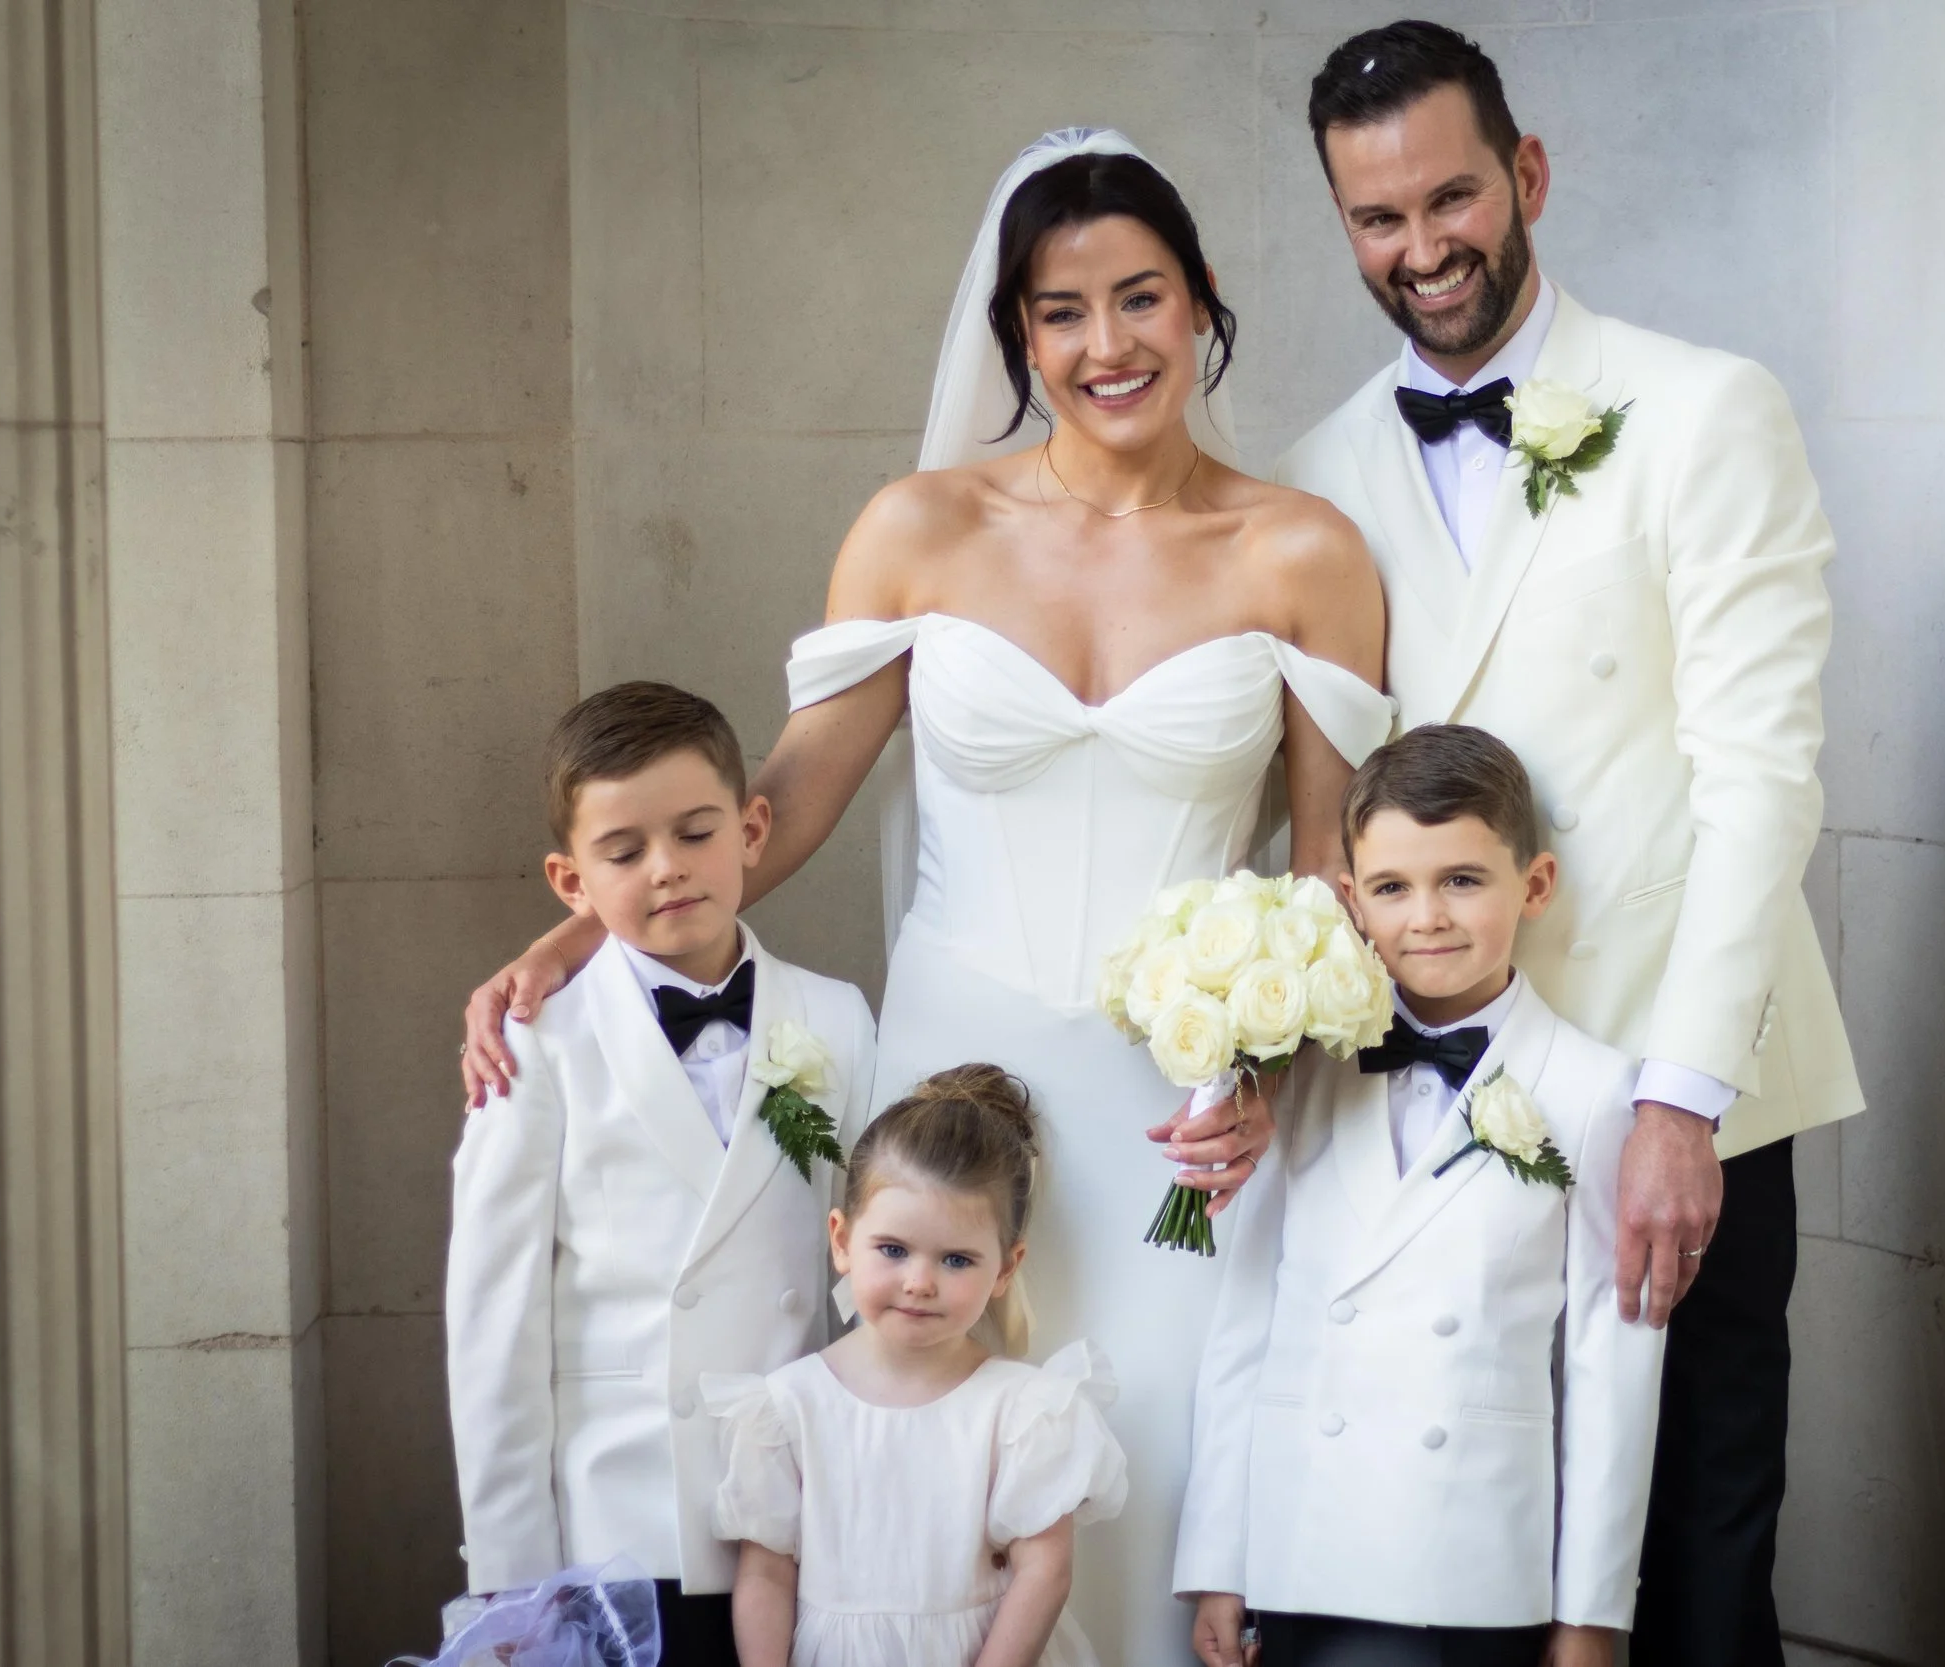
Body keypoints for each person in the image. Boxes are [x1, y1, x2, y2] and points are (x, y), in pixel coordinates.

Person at [457, 130, 1394, 1665]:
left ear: (1203, 301)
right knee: (927, 1491)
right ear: (1016, 332)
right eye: (1062, 311)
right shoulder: (918, 529)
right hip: (954, 1080)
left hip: (1180, 1119)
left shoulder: (1301, 550)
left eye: (1140, 297)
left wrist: (1272, 1074)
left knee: (1145, 1491)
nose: (1106, 345)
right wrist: (588, 924)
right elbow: (786, 796)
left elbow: (1331, 875)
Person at [1278, 24, 1867, 1666]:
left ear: (1525, 174)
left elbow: (1763, 779)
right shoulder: (1315, 481)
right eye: (1377, 218)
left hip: (1686, 1075)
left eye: (1452, 195)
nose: (1423, 247)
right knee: (1476, 1578)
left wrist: (1685, 1095)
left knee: (1691, 1561)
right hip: (1442, 1102)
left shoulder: (1702, 409)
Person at [1177, 725, 1665, 1667]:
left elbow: (1610, 1375)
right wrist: (1217, 1561)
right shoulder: (1297, 1068)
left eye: (1463, 880)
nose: (1428, 916)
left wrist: (1593, 1615)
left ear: (1535, 885)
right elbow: (1244, 1322)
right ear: (1352, 900)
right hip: (1302, 1544)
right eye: (1394, 888)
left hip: (1474, 1565)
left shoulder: (1593, 1088)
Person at [446, 682, 879, 1667]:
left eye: (694, 832)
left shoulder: (837, 1016)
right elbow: (493, 1317)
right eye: (624, 849)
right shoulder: (539, 1043)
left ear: (753, 827)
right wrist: (510, 1568)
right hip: (620, 1520)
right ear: (570, 880)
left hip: (799, 1511)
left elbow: (866, 1268)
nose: (668, 869)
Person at [702, 1065, 1129, 1667]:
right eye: (894, 1250)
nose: (920, 1283)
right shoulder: (788, 1406)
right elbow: (767, 1574)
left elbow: (1045, 1571)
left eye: (957, 1259)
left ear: (1006, 1268)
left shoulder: (1025, 1411)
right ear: (842, 1240)